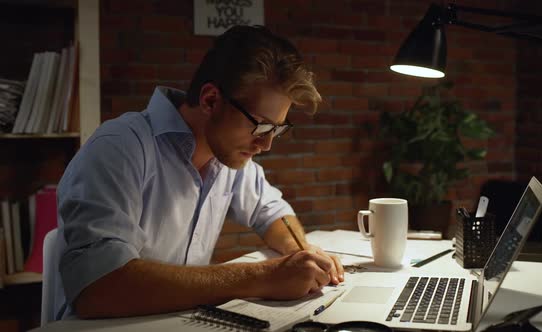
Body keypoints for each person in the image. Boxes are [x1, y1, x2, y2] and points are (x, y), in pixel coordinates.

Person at [54, 25, 344, 320]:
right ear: (210, 100)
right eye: (260, 125)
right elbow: (100, 288)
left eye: (276, 129)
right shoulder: (119, 148)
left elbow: (273, 214)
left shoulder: (230, 159)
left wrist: (303, 252)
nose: (266, 144)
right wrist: (266, 277)